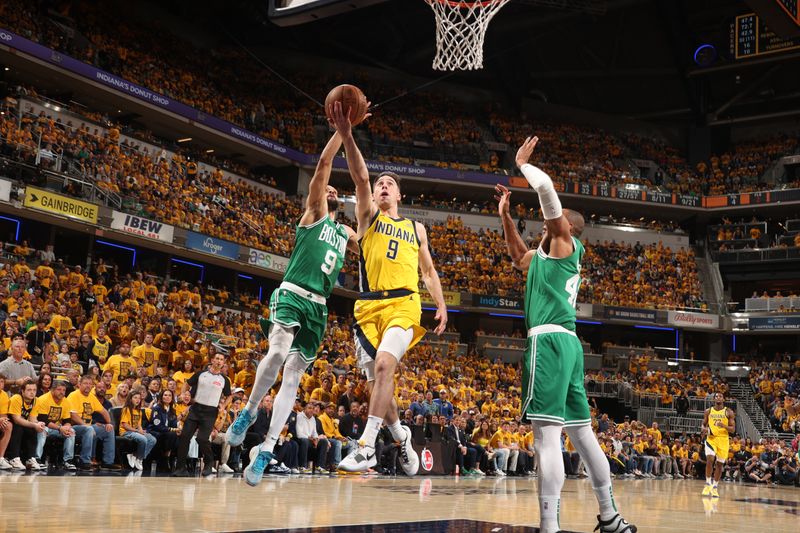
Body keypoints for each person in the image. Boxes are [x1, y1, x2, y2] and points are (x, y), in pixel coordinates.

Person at [495, 136, 635, 533]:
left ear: (567, 228)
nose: (543, 223)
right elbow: (517, 256)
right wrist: (505, 216)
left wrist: (523, 165)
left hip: (550, 343)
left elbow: (546, 190)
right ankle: (610, 516)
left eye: (551, 222)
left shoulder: (564, 242)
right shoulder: (544, 255)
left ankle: (549, 526)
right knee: (584, 435)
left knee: (547, 439)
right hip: (569, 344)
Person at [225, 129, 357, 487]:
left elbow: (371, 239)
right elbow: (324, 165)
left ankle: (267, 449)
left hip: (319, 308)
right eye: (327, 188)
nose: (330, 190)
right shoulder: (313, 213)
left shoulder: (346, 234)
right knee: (279, 351)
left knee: (295, 377)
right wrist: (342, 133)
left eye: (334, 191)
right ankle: (250, 410)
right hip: (294, 293)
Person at [332, 102, 448, 475]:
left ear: (399, 196)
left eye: (390, 184)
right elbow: (360, 178)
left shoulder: (416, 229)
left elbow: (428, 272)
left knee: (384, 365)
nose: (382, 186)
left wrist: (441, 306)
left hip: (404, 305)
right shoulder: (366, 219)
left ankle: (365, 446)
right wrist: (348, 136)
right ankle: (402, 438)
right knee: (377, 385)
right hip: (368, 309)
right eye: (380, 183)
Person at [173, 352, 231, 477]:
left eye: (221, 359)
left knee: (202, 439)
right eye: (217, 358)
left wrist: (223, 406)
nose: (219, 361)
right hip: (196, 409)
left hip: (210, 412)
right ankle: (180, 468)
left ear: (223, 363)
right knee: (184, 437)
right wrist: (183, 394)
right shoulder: (201, 374)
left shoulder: (224, 380)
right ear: (212, 360)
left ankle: (209, 462)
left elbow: (229, 395)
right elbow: (187, 383)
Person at [66, 374, 120, 471]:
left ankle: (108, 462)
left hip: (88, 427)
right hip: (74, 427)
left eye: (90, 384)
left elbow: (104, 411)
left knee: (108, 430)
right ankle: (85, 461)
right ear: (79, 384)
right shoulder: (73, 395)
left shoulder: (91, 397)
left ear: (92, 387)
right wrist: (87, 426)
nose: (88, 386)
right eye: (85, 383)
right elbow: (73, 415)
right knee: (89, 429)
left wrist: (109, 423)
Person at [33, 380, 77, 470]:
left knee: (71, 431)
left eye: (64, 390)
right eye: (59, 389)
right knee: (43, 429)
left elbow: (67, 420)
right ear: (52, 390)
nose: (62, 392)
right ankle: (37, 459)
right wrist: (60, 428)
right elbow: (43, 420)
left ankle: (67, 461)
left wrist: (67, 428)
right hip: (43, 425)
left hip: (57, 428)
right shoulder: (43, 399)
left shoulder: (66, 401)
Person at [5, 380, 45, 470]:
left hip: (20, 424)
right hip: (8, 423)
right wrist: (34, 425)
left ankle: (30, 458)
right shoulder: (16, 398)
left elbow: (32, 419)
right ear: (23, 391)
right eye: (29, 390)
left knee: (33, 429)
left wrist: (39, 424)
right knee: (18, 428)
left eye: (34, 390)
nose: (32, 392)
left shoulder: (36, 401)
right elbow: (17, 420)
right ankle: (13, 458)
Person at [701, 392, 735, 498]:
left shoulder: (729, 412)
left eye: (720, 396)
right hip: (711, 439)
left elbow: (733, 430)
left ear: (723, 399)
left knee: (720, 465)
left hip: (723, 440)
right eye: (716, 396)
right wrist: (704, 429)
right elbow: (703, 424)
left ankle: (715, 487)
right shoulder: (708, 411)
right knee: (710, 459)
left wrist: (723, 425)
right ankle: (707, 484)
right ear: (714, 400)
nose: (718, 398)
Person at [119, 388, 157, 471]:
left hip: (134, 431)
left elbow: (139, 424)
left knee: (152, 439)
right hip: (126, 432)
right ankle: (138, 457)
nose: (137, 400)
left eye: (139, 398)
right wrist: (137, 431)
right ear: (130, 399)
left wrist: (141, 431)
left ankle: (137, 457)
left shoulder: (139, 411)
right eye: (135, 398)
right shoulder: (126, 409)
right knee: (143, 439)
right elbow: (124, 425)